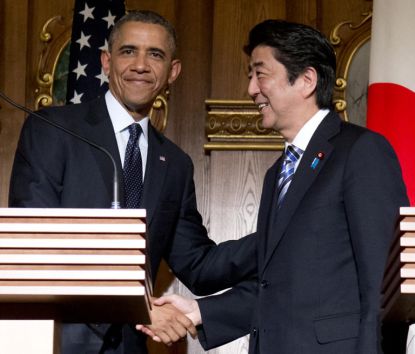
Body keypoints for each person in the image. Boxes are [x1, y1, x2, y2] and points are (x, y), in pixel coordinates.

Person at [141, 19, 409, 354]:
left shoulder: (361, 151)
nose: (251, 88)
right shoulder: (278, 174)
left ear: (307, 80)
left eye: (260, 73)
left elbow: (383, 285)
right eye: (250, 75)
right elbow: (275, 288)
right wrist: (199, 311)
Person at [8, 10, 256, 354]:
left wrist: (275, 234)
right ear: (106, 62)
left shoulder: (176, 165)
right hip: (55, 340)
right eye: (128, 51)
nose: (140, 65)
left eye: (155, 54)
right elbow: (33, 247)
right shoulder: (53, 129)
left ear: (173, 71)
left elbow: (199, 266)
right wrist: (138, 305)